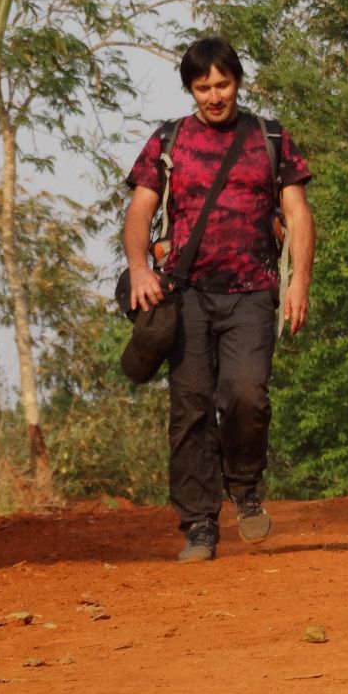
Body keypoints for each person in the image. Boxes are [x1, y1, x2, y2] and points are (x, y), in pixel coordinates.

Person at [123, 37, 315, 562]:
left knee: (248, 395)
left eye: (222, 84)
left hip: (253, 292)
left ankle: (245, 486)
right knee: (189, 409)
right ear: (190, 89)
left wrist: (299, 281)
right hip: (185, 296)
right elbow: (140, 211)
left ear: (238, 81)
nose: (214, 96)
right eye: (203, 87)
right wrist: (141, 269)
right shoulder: (169, 141)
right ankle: (200, 524)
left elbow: (297, 212)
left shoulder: (268, 136)